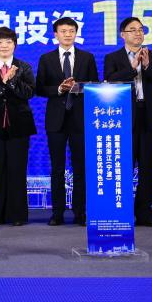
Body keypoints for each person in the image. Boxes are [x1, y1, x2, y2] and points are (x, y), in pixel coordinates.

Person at [104, 17, 152, 227]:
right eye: (132, 30)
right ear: (122, 34)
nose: (138, 33)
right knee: (123, 167)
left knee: (147, 167)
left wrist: (147, 66)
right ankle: (122, 212)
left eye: (141, 29)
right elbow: (110, 80)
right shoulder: (112, 57)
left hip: (148, 117)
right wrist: (132, 68)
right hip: (124, 119)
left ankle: (144, 213)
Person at [35, 16, 98, 226]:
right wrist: (59, 89)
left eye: (71, 31)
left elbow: (94, 86)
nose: (68, 34)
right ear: (56, 34)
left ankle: (80, 213)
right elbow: (40, 88)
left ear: (76, 33)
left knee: (81, 168)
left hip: (80, 119)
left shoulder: (87, 57)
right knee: (57, 168)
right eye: (63, 31)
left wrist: (77, 87)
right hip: (56, 121)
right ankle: (57, 213)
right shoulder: (46, 58)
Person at [0, 27, 36, 226]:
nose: (4, 46)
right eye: (0, 42)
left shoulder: (24, 67)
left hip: (19, 125)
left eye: (8, 42)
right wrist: (2, 82)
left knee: (17, 169)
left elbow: (29, 92)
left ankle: (17, 215)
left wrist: (11, 82)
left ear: (15, 45)